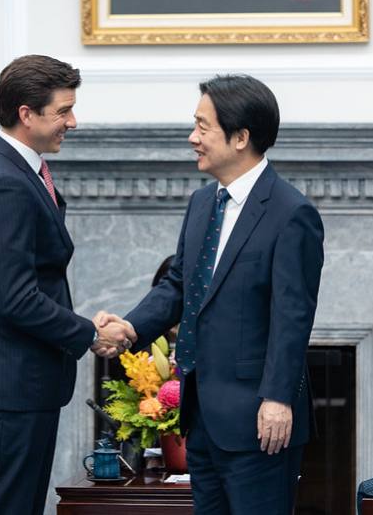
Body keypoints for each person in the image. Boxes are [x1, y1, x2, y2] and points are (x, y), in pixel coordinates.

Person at [96, 74, 324, 514]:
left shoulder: (292, 213)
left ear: (241, 137)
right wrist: (130, 327)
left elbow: (292, 316)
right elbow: (179, 285)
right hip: (202, 419)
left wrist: (277, 399)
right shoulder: (203, 204)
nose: (192, 138)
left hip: (260, 421)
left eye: (203, 127)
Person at [0, 54, 135, 515]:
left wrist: (78, 324)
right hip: (13, 383)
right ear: (26, 114)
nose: (72, 122)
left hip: (26, 382)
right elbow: (16, 299)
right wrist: (89, 334)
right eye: (62, 112)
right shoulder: (3, 182)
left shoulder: (20, 171)